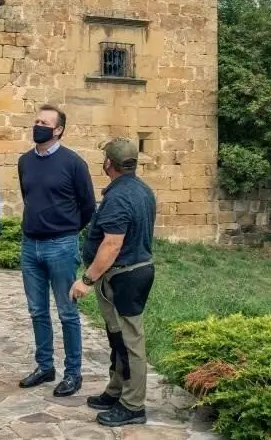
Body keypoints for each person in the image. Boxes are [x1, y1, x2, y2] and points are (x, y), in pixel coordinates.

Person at [70, 137, 156, 428]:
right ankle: (116, 390)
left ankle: (133, 406)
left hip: (125, 276)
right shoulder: (142, 190)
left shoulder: (119, 197)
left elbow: (112, 245)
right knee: (117, 338)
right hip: (130, 273)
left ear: (109, 163)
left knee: (131, 342)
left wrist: (86, 279)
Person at [17, 105, 96, 397]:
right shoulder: (25, 161)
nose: (37, 125)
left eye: (44, 122)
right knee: (37, 310)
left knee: (67, 312)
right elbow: (29, 197)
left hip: (61, 245)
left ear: (59, 129)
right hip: (30, 245)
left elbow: (87, 206)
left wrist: (68, 229)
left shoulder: (74, 163)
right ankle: (45, 366)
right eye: (36, 120)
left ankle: (73, 373)